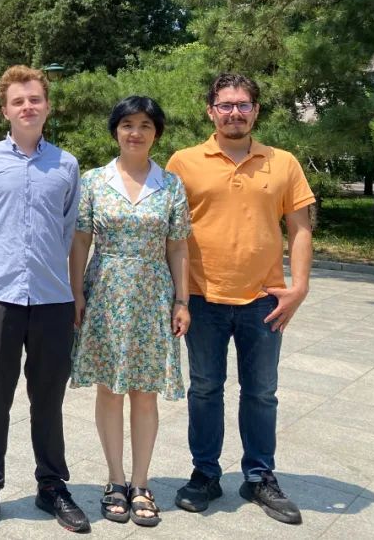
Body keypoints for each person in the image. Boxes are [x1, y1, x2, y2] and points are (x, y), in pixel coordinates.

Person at [166, 73, 314, 526]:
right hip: (202, 298)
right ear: (210, 111)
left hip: (264, 300)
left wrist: (299, 287)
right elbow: (171, 234)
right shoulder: (183, 162)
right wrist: (177, 297)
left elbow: (301, 228)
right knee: (205, 389)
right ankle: (205, 474)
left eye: (243, 105)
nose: (235, 113)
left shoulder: (283, 162)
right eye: (226, 105)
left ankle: (259, 476)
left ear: (256, 110)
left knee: (261, 392)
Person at [0, 65, 89, 537]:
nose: (27, 107)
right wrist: (0, 269)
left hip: (53, 299)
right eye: (18, 101)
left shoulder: (66, 165)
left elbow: (67, 231)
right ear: (5, 110)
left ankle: (52, 485)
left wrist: (61, 282)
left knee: (48, 398)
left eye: (35, 99)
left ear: (47, 106)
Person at [69, 96, 191, 528]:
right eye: (127, 125)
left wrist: (182, 300)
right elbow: (80, 240)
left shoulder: (171, 185)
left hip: (153, 295)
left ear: (156, 133)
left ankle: (141, 483)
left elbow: (178, 247)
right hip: (105, 293)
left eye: (145, 125)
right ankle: (115, 480)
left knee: (145, 391)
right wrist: (76, 292)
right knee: (109, 389)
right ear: (115, 131)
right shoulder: (93, 181)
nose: (135, 133)